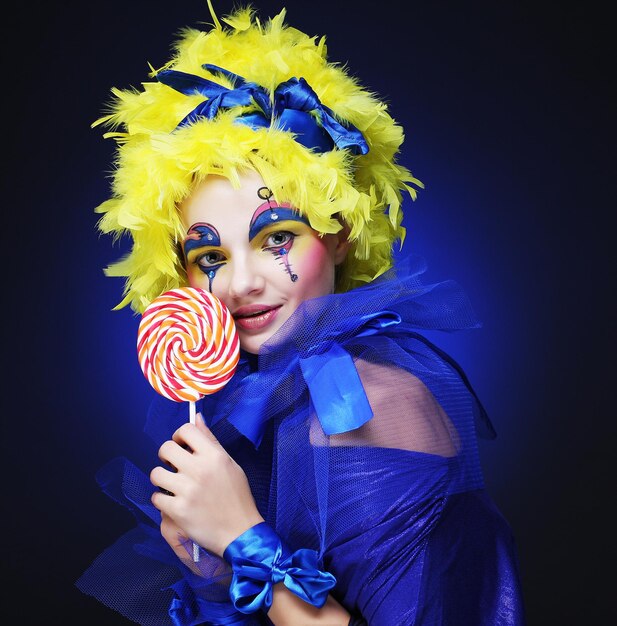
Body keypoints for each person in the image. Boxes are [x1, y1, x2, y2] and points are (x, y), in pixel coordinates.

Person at [77, 3, 526, 624]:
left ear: (339, 231)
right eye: (209, 253)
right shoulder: (252, 404)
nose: (238, 283)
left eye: (276, 238)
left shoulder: (376, 407)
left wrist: (241, 534)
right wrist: (215, 561)